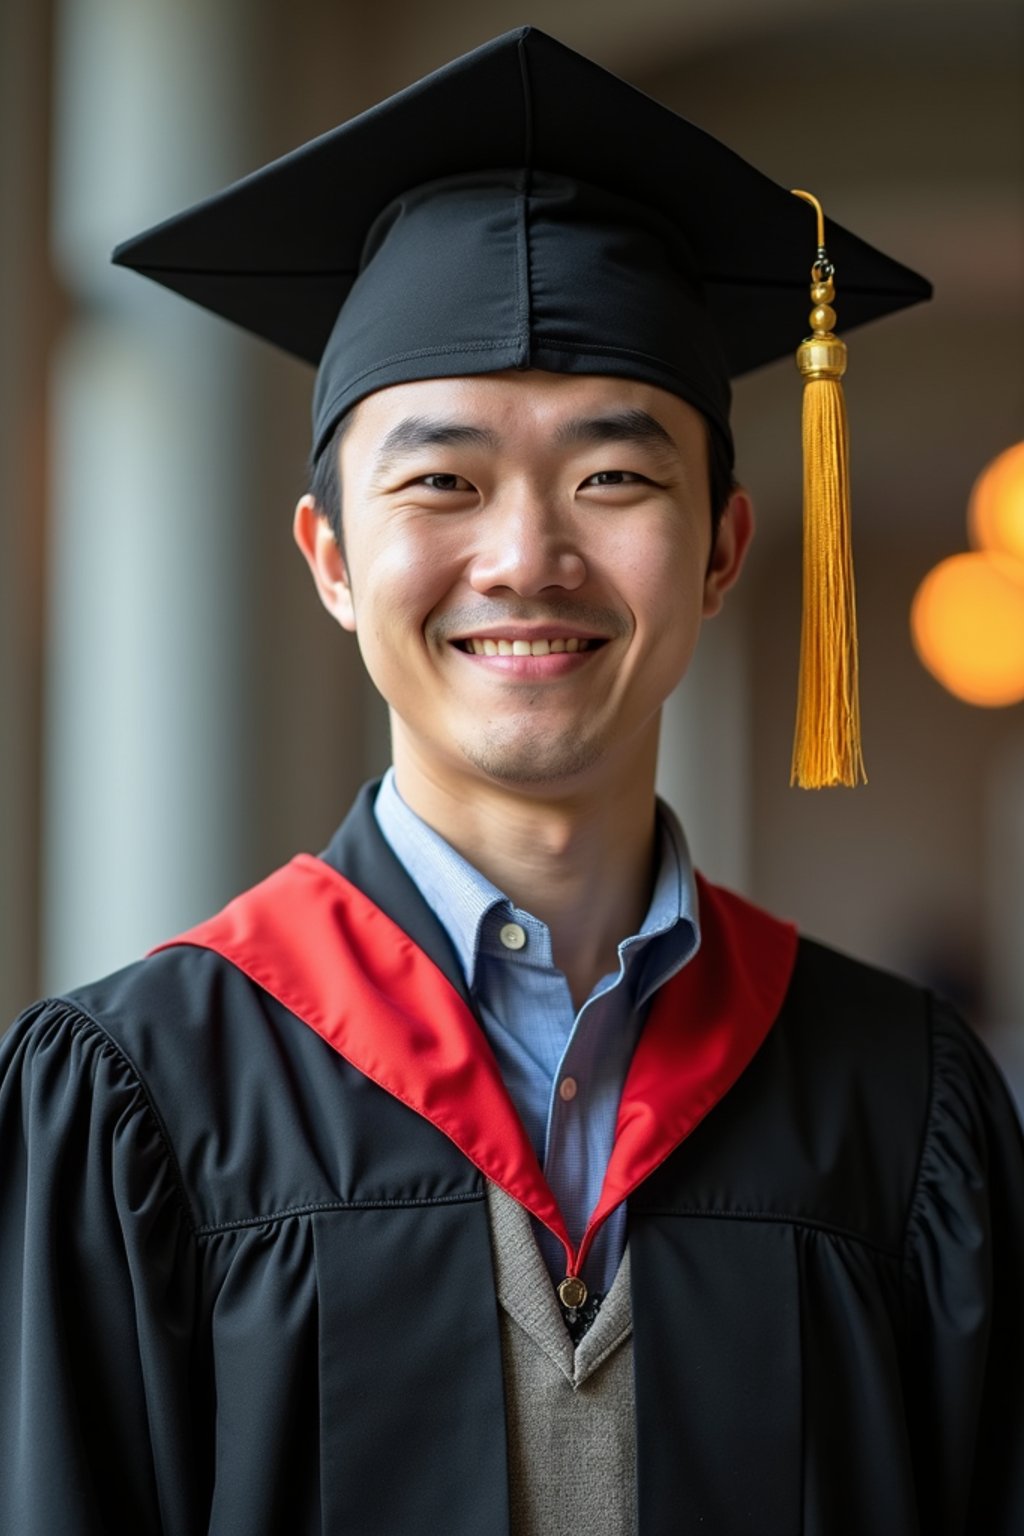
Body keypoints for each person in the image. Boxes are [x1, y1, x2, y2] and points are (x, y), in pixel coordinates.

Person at [2, 26, 1022, 1536]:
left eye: (613, 475)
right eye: (442, 480)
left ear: (725, 548)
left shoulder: (905, 1105)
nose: (526, 557)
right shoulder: (139, 1100)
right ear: (333, 560)